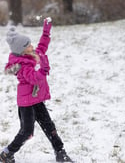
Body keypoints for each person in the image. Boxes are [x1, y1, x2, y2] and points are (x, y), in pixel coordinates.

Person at [0, 18, 73, 162]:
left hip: (36, 99)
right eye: (28, 45)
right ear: (21, 50)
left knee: (49, 125)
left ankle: (60, 152)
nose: (32, 46)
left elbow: (42, 46)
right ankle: (7, 153)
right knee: (27, 132)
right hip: (27, 102)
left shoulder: (31, 55)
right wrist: (44, 68)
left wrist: (46, 32)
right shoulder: (22, 66)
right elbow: (35, 78)